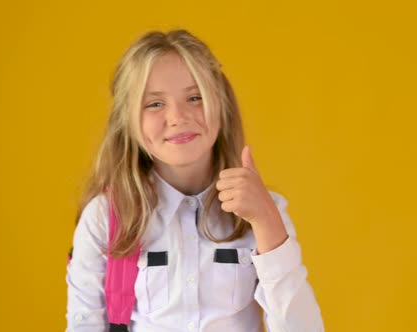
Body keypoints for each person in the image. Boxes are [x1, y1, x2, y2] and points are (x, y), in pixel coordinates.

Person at [66, 29, 324, 332]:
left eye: (195, 97)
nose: (178, 116)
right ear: (128, 119)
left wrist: (267, 222)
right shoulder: (104, 219)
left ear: (222, 105)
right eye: (155, 104)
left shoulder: (264, 212)